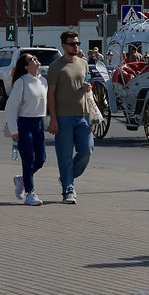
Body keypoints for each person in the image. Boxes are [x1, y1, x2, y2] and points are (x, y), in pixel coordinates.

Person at [47, 31, 97, 205]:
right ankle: (68, 190)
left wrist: (87, 86)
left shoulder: (83, 63)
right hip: (63, 116)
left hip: (83, 115)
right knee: (65, 155)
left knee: (87, 150)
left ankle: (66, 176)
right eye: (72, 44)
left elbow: (87, 84)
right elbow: (50, 94)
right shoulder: (56, 66)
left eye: (77, 43)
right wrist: (53, 119)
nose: (76, 47)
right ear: (63, 46)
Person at [7, 53, 49, 205]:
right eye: (32, 59)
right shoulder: (22, 82)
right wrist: (13, 130)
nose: (36, 60)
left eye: (36, 58)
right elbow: (11, 106)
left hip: (38, 123)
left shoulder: (43, 81)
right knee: (28, 158)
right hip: (24, 124)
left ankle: (22, 179)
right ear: (26, 67)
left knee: (41, 159)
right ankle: (30, 193)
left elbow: (43, 105)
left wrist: (45, 123)